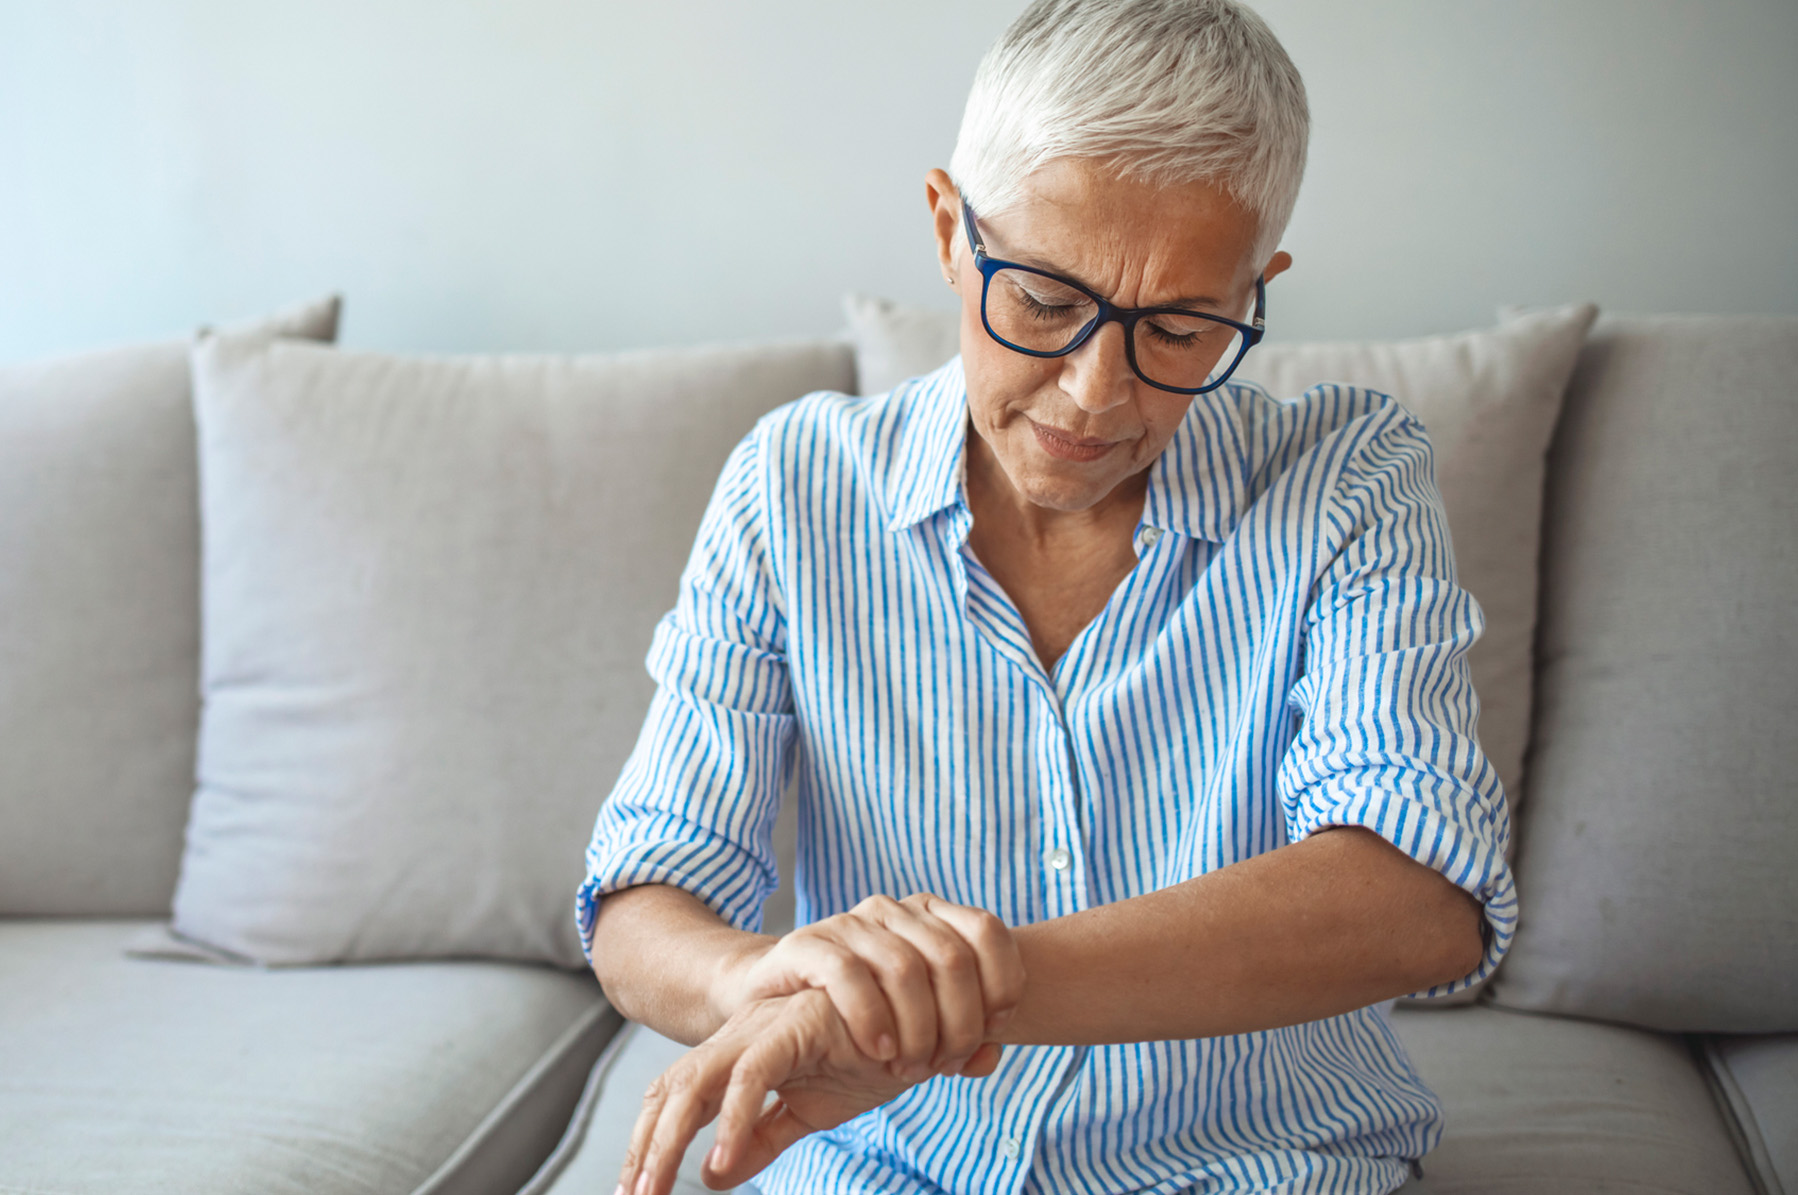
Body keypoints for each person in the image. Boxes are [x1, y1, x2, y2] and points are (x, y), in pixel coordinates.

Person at [577, 1, 1516, 1192]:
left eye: (1179, 326)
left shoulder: (1349, 479)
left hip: (1251, 1161)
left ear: (1256, 287)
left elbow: (1418, 896)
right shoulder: (790, 486)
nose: (1093, 392)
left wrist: (959, 992)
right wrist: (760, 991)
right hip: (874, 1158)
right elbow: (643, 892)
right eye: (1045, 301)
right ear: (947, 231)